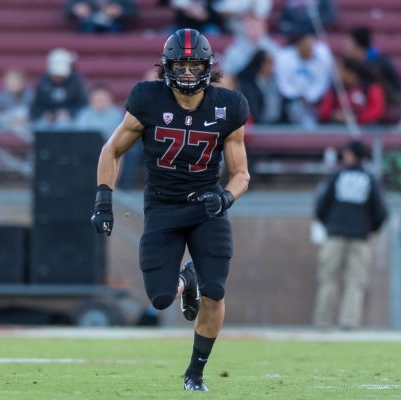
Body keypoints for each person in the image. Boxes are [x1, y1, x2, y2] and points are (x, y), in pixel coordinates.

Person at [90, 28, 250, 391]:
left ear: (209, 67)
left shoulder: (230, 106)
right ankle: (184, 279)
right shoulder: (147, 99)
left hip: (207, 207)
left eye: (195, 65)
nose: (189, 73)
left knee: (215, 291)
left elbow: (241, 174)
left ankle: (194, 373)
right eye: (182, 64)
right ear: (167, 67)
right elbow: (111, 150)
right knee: (161, 297)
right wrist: (103, 199)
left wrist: (225, 198)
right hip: (162, 208)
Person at [313, 139, 388, 330]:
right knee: (355, 281)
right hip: (360, 237)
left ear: (351, 154)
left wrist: (329, 225)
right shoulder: (370, 179)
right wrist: (369, 229)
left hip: (335, 235)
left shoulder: (337, 175)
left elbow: (321, 205)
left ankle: (323, 321)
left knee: (328, 279)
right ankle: (349, 322)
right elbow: (380, 211)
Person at [274, 27, 333, 128]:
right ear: (298, 45)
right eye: (308, 44)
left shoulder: (322, 55)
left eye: (313, 43)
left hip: (314, 101)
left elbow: (322, 82)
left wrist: (309, 96)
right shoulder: (284, 57)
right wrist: (297, 96)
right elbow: (282, 83)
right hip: (290, 100)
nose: (311, 47)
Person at [343, 26, 401, 105]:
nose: (345, 48)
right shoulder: (354, 62)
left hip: (389, 98)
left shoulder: (379, 63)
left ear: (358, 48)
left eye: (349, 44)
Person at [29, 48, 88, 128]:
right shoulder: (43, 82)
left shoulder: (75, 82)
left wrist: (69, 113)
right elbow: (37, 104)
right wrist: (44, 114)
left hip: (71, 119)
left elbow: (82, 104)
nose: (59, 78)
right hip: (47, 120)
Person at [318, 57, 386, 125]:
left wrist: (355, 118)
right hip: (339, 130)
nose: (337, 74)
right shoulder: (335, 90)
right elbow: (324, 112)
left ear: (352, 74)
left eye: (341, 71)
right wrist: (334, 115)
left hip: (367, 130)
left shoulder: (371, 88)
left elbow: (376, 111)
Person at [64, 0, 138, 33]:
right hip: (87, 26)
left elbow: (134, 11)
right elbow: (67, 9)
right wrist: (76, 9)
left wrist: (120, 11)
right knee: (88, 26)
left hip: (114, 25)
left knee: (115, 27)